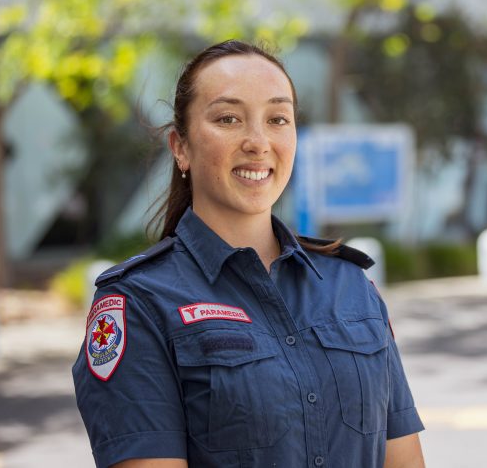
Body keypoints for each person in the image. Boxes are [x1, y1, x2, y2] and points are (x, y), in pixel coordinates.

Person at [72, 40, 426, 468]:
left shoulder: (350, 287)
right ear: (181, 147)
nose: (258, 142)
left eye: (278, 119)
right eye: (228, 119)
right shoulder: (139, 306)